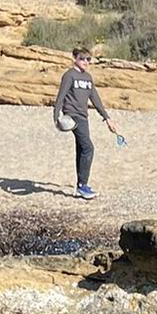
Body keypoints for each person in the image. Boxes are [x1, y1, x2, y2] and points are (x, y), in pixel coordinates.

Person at [52, 48, 119, 201]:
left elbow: (95, 98)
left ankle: (79, 185)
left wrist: (107, 118)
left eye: (88, 59)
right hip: (72, 116)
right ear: (75, 58)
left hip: (83, 117)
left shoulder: (88, 78)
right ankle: (83, 186)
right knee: (88, 148)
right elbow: (60, 97)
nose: (86, 62)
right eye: (82, 59)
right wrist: (56, 118)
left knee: (81, 149)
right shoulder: (69, 76)